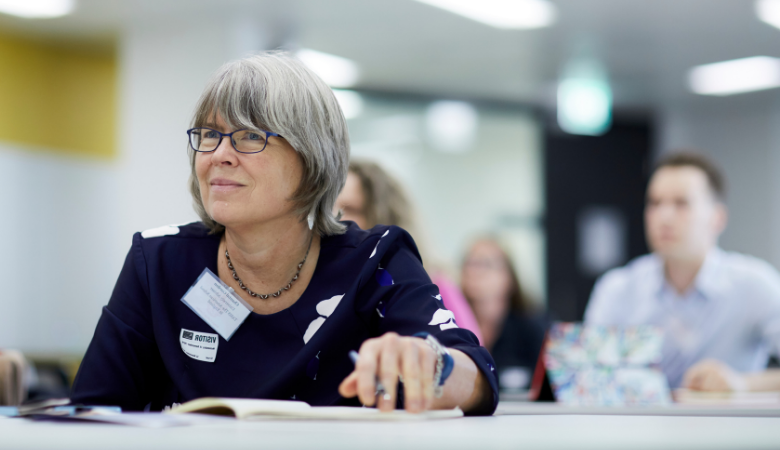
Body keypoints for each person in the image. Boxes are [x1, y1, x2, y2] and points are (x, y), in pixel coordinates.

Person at [70, 52, 497, 415]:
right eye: (209, 136)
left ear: (311, 156)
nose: (219, 155)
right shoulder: (159, 262)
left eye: (249, 136)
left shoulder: (373, 262)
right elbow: (93, 409)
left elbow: (479, 377)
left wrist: (431, 362)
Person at [585, 152, 780, 391]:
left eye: (681, 204)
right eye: (655, 204)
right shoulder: (617, 289)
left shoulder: (754, 285)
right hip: (638, 427)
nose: (664, 217)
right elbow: (588, 378)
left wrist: (742, 384)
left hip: (727, 426)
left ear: (717, 218)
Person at [334, 160, 483, 343]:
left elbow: (470, 356)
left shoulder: (430, 282)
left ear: (384, 217)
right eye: (329, 206)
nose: (335, 218)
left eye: (350, 209)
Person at [461, 238, 547, 391]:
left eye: (485, 264)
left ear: (508, 276)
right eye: (470, 263)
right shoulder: (453, 324)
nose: (474, 272)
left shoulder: (532, 327)